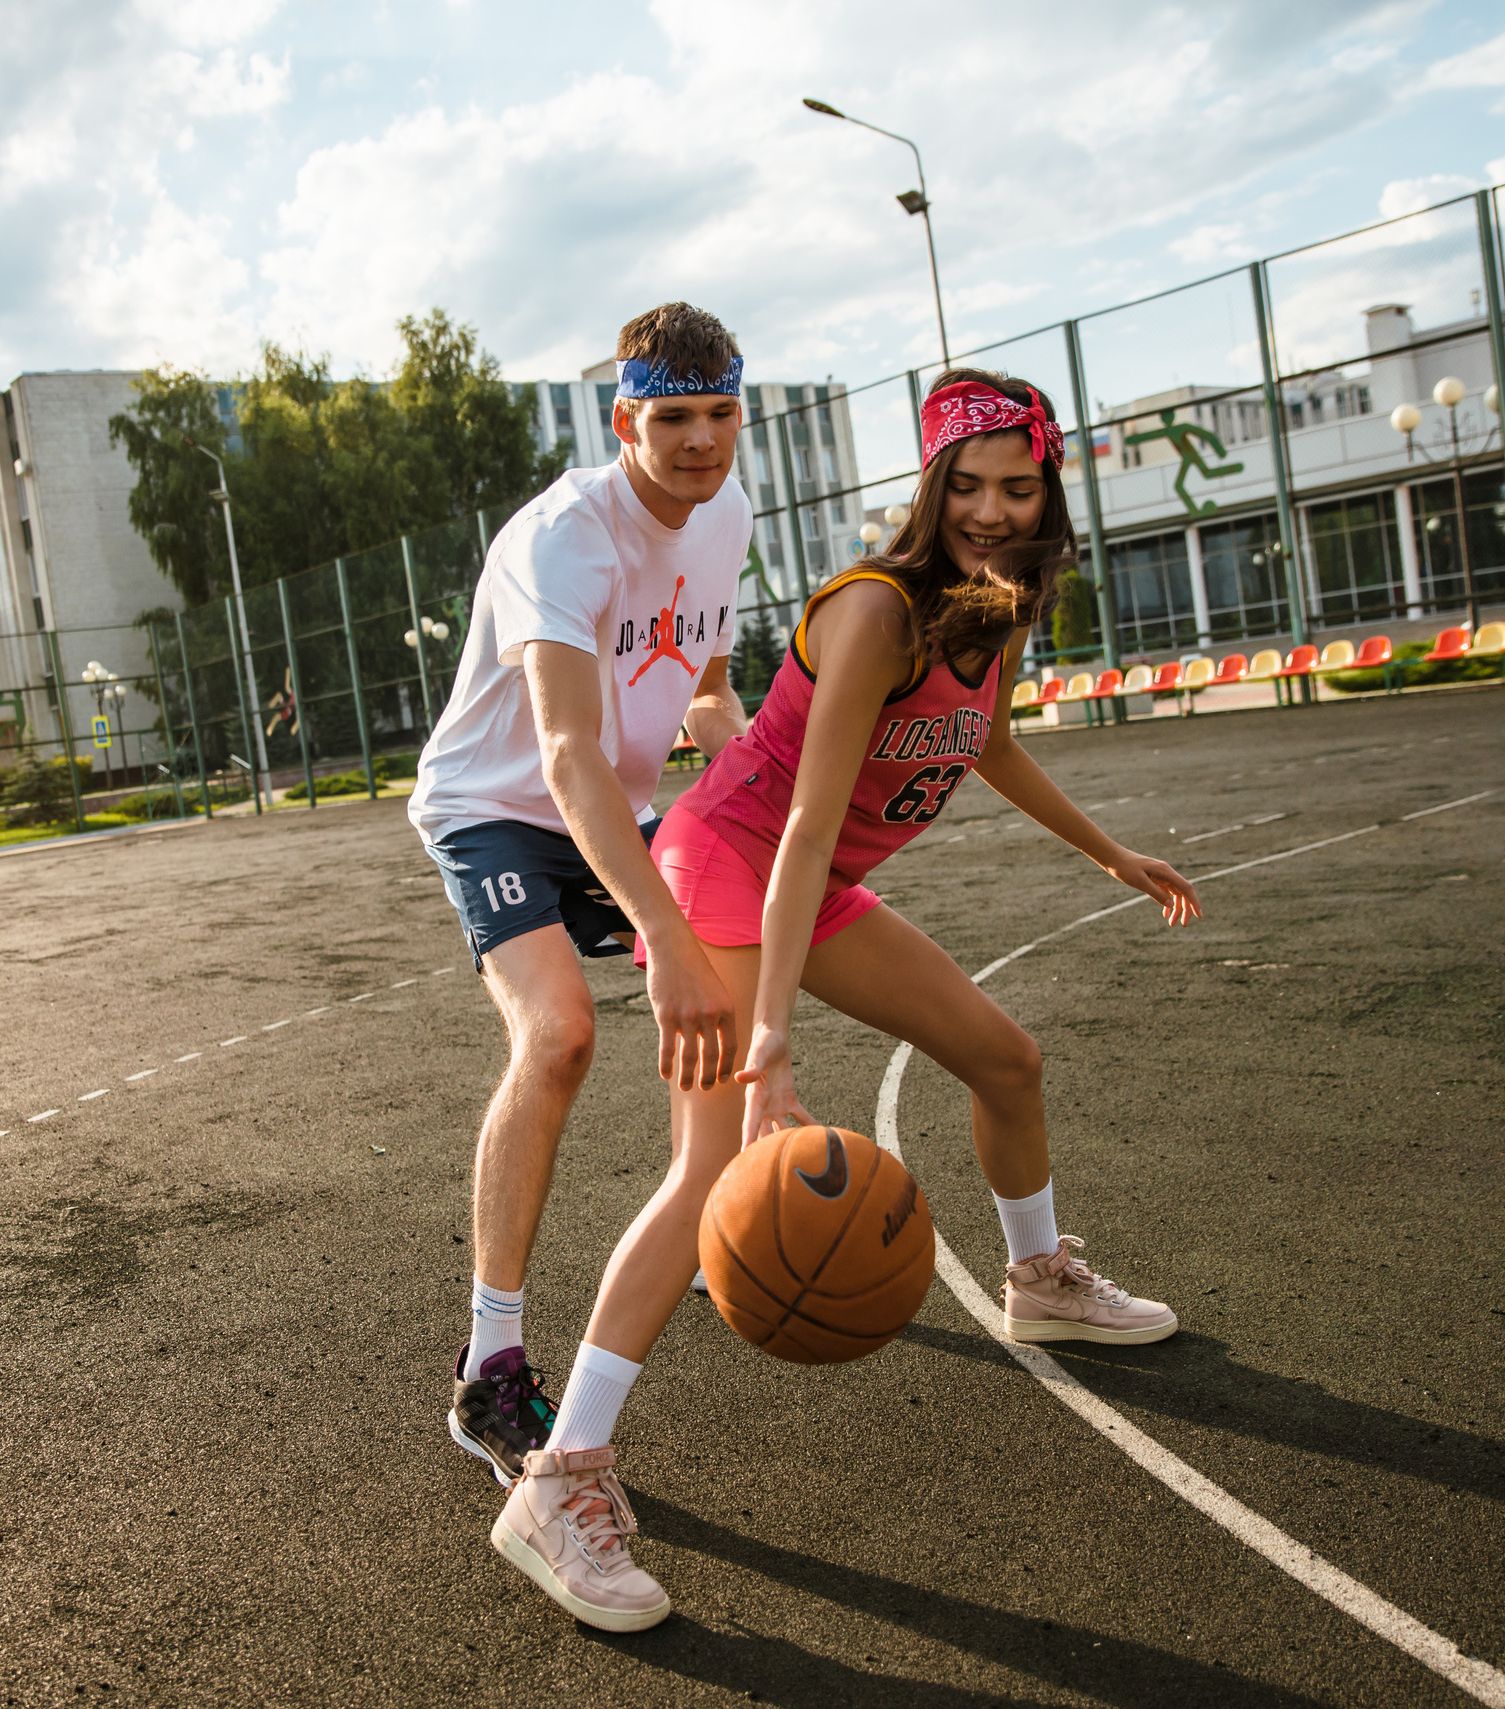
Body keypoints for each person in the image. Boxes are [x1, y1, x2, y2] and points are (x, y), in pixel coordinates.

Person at [488, 370, 1204, 1633]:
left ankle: (1038, 1277)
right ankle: (559, 1475)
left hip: (802, 886)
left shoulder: (995, 609)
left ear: (1046, 496)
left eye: (1015, 486)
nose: (988, 510)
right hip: (728, 861)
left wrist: (1109, 853)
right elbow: (808, 824)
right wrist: (766, 1031)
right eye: (966, 487)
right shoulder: (877, 609)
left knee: (1006, 1058)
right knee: (710, 1160)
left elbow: (987, 743)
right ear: (931, 493)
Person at [408, 303, 754, 1491]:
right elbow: (563, 751)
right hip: (500, 802)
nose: (701, 441)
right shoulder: (565, 536)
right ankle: (490, 1365)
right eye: (673, 419)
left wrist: (753, 766)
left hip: (616, 798)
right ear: (625, 420)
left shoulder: (728, 517)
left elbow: (704, 695)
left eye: (719, 414)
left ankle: (713, 1215)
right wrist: (660, 929)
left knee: (741, 948)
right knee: (558, 1034)